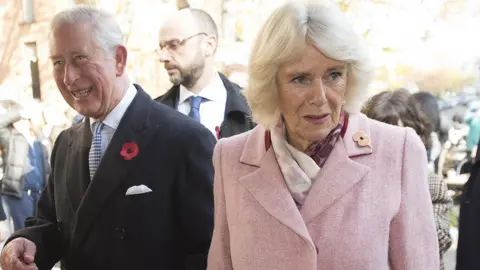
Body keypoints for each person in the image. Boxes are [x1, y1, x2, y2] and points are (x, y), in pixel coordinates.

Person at [207, 2, 439, 269]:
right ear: (271, 83)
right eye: (300, 79)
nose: (319, 97)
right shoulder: (231, 157)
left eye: (334, 75)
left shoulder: (398, 152)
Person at [0, 6, 215, 270]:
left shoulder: (185, 139)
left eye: (80, 57)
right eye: (58, 62)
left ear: (119, 59)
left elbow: (206, 251)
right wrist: (27, 242)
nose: (68, 77)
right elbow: (55, 224)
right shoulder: (65, 143)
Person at [362, 89, 453, 270]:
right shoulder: (358, 179)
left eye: (401, 137)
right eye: (381, 136)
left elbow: (440, 239)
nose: (392, 145)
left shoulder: (431, 184)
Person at [155, 8, 255, 139]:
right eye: (162, 48)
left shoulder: (254, 109)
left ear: (208, 45)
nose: (163, 57)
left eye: (174, 45)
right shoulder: (152, 115)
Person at [0, 101, 49, 232]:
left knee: (39, 230)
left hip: (39, 192)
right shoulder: (11, 137)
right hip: (20, 192)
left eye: (25, 120)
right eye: (18, 120)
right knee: (24, 230)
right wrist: (19, 112)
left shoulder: (38, 139)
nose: (21, 122)